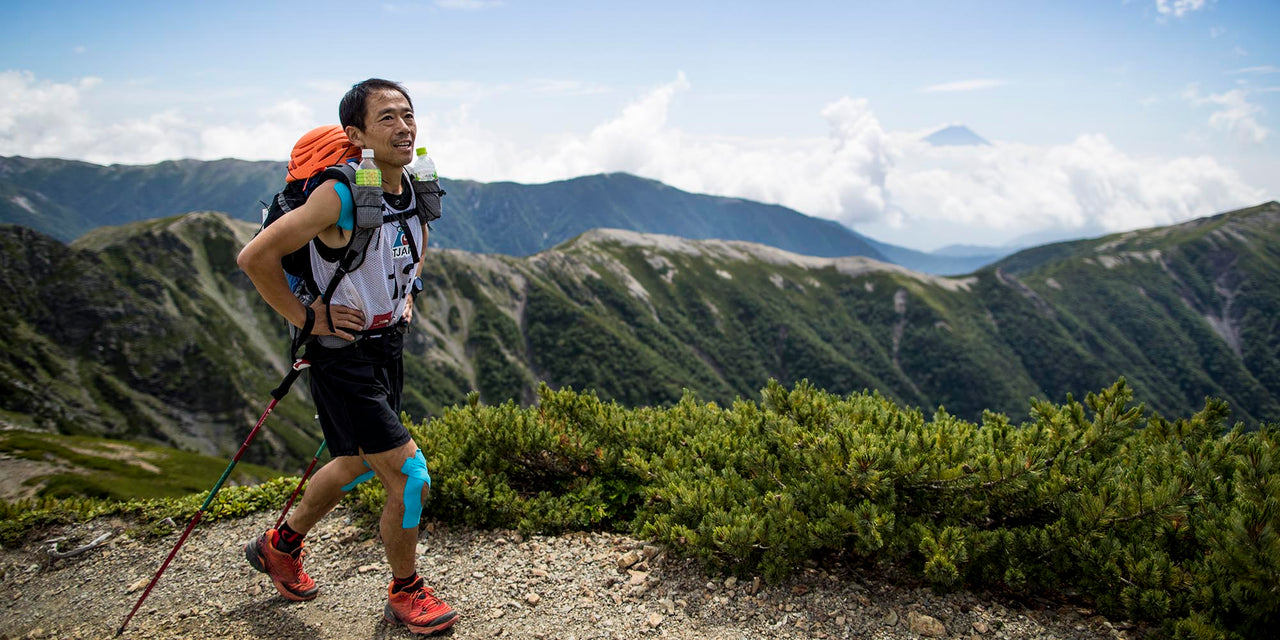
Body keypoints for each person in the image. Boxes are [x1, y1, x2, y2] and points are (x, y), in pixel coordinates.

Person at [237, 78, 457, 636]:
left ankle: (279, 545)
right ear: (355, 135)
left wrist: (407, 294)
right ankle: (405, 592)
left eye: (407, 115)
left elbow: (413, 241)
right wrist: (307, 317)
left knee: (357, 462)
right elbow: (255, 257)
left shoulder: (414, 186)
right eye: (387, 118)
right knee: (410, 478)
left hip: (384, 347)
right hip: (342, 357)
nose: (403, 127)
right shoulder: (340, 194)